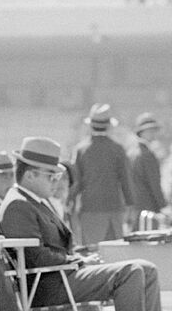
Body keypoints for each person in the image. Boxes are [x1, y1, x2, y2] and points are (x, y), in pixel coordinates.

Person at [0, 136, 161, 311]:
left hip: (64, 274)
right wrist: (79, 261)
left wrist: (81, 257)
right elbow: (35, 257)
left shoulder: (35, 200)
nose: (56, 182)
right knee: (130, 272)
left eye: (58, 176)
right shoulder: (18, 205)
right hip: (50, 284)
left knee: (148, 270)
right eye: (51, 176)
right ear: (30, 175)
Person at [72, 103, 135, 246]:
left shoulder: (81, 150)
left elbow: (76, 182)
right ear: (109, 126)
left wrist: (70, 201)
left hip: (90, 209)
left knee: (91, 251)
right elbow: (126, 181)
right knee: (114, 252)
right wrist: (130, 204)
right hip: (113, 209)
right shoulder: (118, 149)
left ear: (90, 125)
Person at [129, 112, 168, 229]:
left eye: (154, 130)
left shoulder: (131, 152)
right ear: (142, 132)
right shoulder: (147, 155)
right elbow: (154, 183)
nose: (153, 134)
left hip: (134, 209)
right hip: (148, 209)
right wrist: (163, 206)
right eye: (150, 131)